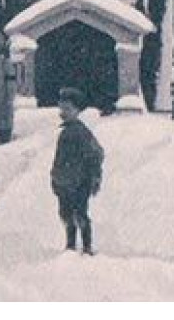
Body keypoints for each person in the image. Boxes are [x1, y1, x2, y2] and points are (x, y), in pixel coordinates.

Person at [51, 86, 104, 254]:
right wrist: (55, 176)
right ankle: (71, 244)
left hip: (80, 181)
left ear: (77, 110)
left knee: (80, 213)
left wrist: (94, 177)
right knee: (66, 214)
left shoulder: (81, 132)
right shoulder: (65, 132)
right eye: (62, 108)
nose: (64, 112)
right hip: (65, 181)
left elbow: (96, 153)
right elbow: (59, 158)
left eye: (68, 109)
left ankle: (87, 246)